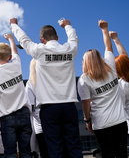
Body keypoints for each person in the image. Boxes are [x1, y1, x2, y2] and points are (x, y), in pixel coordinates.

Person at [10, 17, 82, 157]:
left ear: (42, 39)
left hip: (49, 108)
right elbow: (73, 39)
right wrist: (67, 25)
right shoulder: (69, 49)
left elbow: (24, 40)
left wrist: (14, 25)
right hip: (68, 106)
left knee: (54, 147)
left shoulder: (40, 51)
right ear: (57, 37)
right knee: (73, 145)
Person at [77, 20, 128, 158]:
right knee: (122, 153)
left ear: (85, 62)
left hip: (101, 124)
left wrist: (87, 121)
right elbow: (108, 47)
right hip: (120, 121)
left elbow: (85, 103)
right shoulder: (111, 67)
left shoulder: (84, 79)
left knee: (107, 154)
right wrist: (104, 29)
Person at [0, 33, 32, 158]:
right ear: (10, 57)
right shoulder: (16, 64)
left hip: (7, 117)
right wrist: (11, 39)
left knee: (10, 153)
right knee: (26, 152)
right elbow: (15, 51)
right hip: (23, 113)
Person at [25, 59, 49, 158]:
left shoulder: (30, 83)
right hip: (52, 123)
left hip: (40, 126)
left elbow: (30, 108)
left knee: (45, 153)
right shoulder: (50, 80)